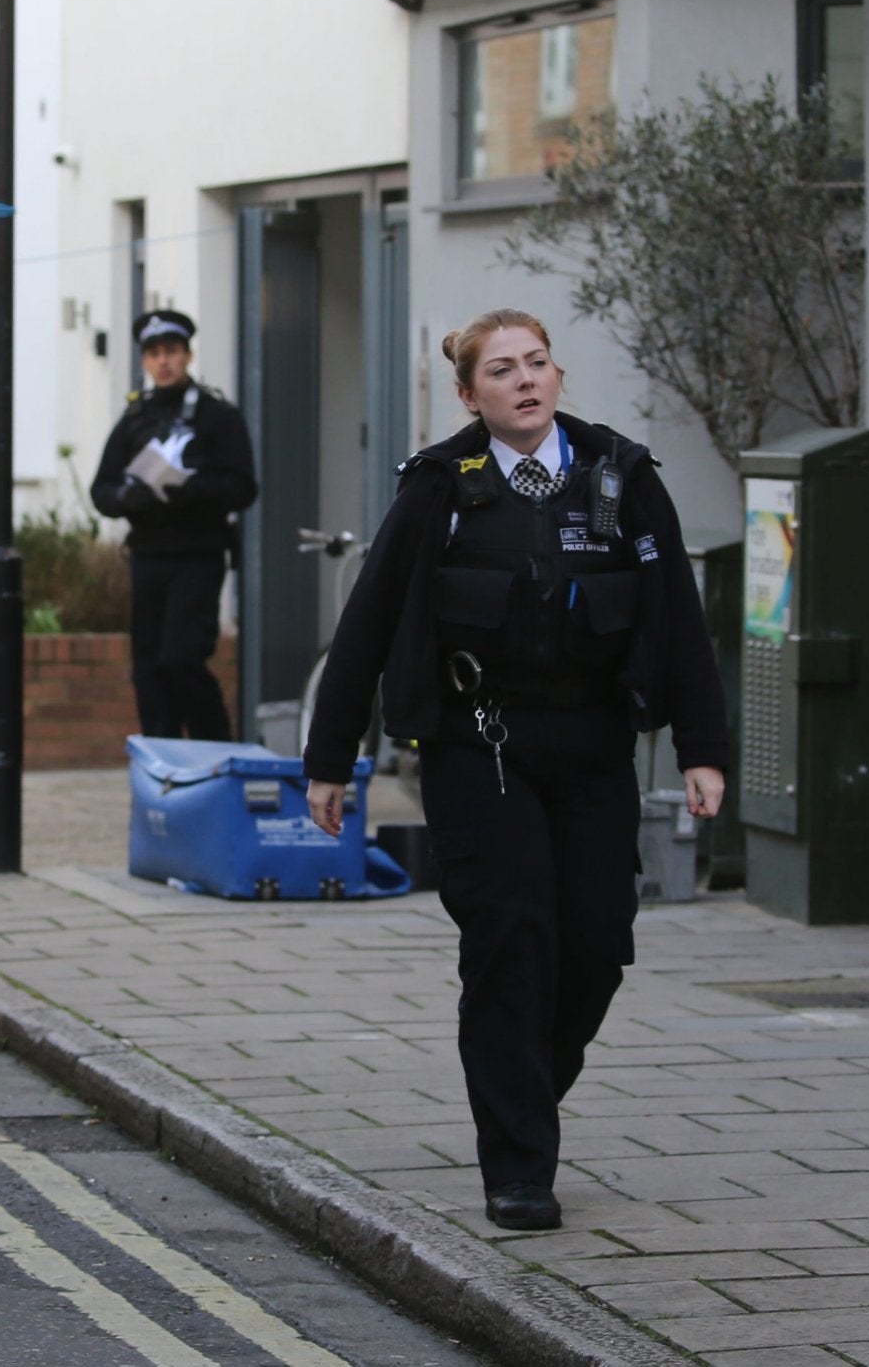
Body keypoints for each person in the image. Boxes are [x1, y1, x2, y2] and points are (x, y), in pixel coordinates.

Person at [300, 308, 729, 1232]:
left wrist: (703, 749)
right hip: (476, 747)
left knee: (592, 951)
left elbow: (678, 624)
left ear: (557, 376)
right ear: (468, 395)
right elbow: (368, 624)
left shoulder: (621, 477)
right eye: (501, 370)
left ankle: (523, 1089)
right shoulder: (437, 489)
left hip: (591, 749)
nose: (524, 380)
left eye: (537, 363)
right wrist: (328, 762)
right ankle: (519, 1164)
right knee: (510, 943)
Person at [89, 309, 258, 741]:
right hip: (148, 557)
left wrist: (192, 489)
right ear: (144, 362)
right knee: (148, 669)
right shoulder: (134, 419)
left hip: (198, 556)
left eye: (171, 351)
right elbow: (101, 490)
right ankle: (162, 766)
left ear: (187, 355)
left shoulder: (217, 415)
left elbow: (243, 486)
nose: (163, 361)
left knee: (182, 659)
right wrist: (127, 497)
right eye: (153, 354)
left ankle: (214, 754)